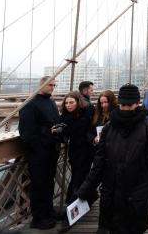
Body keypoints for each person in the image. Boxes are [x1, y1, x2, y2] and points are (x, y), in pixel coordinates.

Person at [77, 84, 148, 234]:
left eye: (129, 105)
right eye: (123, 105)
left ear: (137, 103)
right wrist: (84, 190)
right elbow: (98, 165)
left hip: (136, 195)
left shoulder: (147, 129)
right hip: (113, 195)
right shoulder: (109, 128)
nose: (125, 108)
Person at [18, 76, 60, 230]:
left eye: (54, 85)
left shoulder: (51, 102)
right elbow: (26, 132)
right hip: (38, 152)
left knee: (49, 183)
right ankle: (38, 218)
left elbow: (54, 122)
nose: (52, 88)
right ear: (41, 85)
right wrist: (46, 133)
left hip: (51, 150)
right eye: (50, 85)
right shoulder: (30, 104)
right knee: (38, 185)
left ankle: (48, 211)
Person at [58, 92, 95, 233]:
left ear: (78, 102)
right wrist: (59, 131)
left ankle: (70, 214)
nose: (68, 105)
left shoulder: (88, 111)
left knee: (77, 180)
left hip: (87, 150)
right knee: (78, 178)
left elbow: (87, 128)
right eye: (66, 103)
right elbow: (65, 136)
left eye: (71, 102)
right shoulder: (65, 117)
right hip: (75, 151)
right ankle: (89, 197)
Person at [90, 90, 118, 233]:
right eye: (101, 103)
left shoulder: (117, 115)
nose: (104, 105)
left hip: (112, 157)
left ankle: (110, 223)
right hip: (99, 155)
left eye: (106, 102)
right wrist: (93, 139)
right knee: (105, 191)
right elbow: (89, 132)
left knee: (109, 191)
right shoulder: (97, 115)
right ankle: (103, 225)